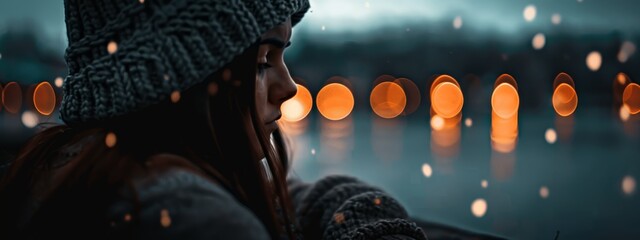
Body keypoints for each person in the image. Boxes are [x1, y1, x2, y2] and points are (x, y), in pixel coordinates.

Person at [0, 0, 428, 239]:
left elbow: (281, 199)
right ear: (183, 75)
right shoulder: (195, 221)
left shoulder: (67, 170)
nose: (291, 87)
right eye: (264, 60)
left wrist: (349, 209)